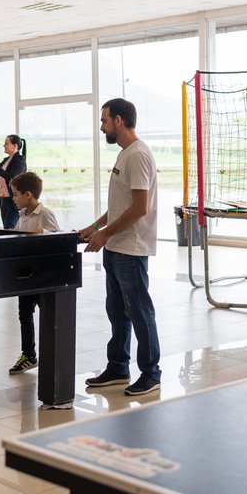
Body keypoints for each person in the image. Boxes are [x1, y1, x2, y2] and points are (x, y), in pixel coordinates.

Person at [79, 99, 161, 397]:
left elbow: (139, 208)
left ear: (118, 120)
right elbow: (120, 205)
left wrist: (105, 234)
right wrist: (95, 227)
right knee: (116, 310)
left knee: (139, 310)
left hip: (131, 248)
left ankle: (151, 373)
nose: (102, 127)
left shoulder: (138, 155)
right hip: (116, 246)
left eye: (104, 121)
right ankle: (118, 367)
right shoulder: (125, 153)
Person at [7, 171, 62, 376]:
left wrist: (43, 233)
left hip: (42, 275)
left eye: (15, 194)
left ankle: (52, 356)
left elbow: (58, 238)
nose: (13, 198)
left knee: (47, 315)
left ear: (28, 194)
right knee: (24, 313)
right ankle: (29, 354)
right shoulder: (22, 216)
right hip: (25, 274)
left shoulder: (45, 214)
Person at [0, 134, 27, 229]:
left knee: (9, 229)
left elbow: (13, 179)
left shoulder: (19, 161)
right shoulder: (6, 160)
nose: (3, 146)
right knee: (6, 228)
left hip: (13, 200)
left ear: (15, 146)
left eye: (6, 144)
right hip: (3, 199)